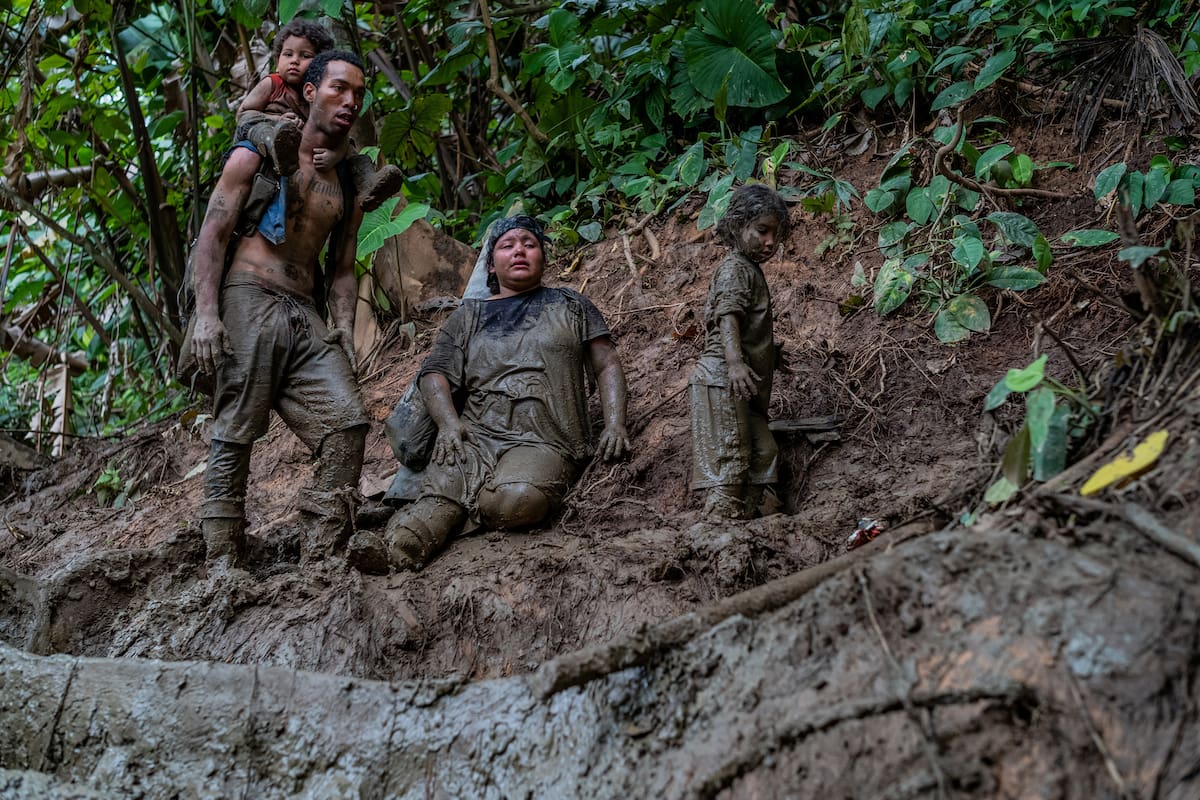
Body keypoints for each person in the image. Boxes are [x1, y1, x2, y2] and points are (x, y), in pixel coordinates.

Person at [348, 215, 631, 573]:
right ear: (491, 264)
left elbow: (607, 365)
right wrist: (449, 425)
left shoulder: (571, 304)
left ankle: (463, 513)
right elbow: (435, 376)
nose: (519, 252)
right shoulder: (468, 316)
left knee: (517, 501)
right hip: (474, 437)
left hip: (546, 440)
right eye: (507, 245)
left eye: (529, 244)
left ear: (543, 256)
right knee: (422, 520)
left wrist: (615, 425)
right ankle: (393, 554)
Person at [190, 50, 371, 574]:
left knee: (347, 424)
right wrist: (207, 314)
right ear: (310, 91)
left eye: (358, 94)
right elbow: (212, 235)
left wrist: (342, 328)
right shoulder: (256, 154)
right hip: (249, 295)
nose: (350, 101)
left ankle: (321, 553)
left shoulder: (347, 181)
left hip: (305, 310)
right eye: (339, 88)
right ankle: (222, 559)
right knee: (236, 424)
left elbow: (341, 265)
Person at [689, 184, 792, 520]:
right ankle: (717, 524)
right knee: (733, 454)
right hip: (723, 377)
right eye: (762, 231)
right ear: (737, 226)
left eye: (774, 235)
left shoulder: (747, 269)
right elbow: (727, 316)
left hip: (738, 382)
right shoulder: (735, 268)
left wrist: (768, 353)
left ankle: (742, 519)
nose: (770, 243)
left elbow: (745, 322)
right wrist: (734, 362)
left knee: (763, 451)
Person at [236, 20, 403, 212]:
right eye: (287, 54)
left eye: (305, 55)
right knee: (257, 127)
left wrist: (335, 155)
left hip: (297, 141)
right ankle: (279, 150)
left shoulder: (319, 96)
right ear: (277, 60)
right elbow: (243, 113)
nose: (294, 61)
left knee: (349, 147)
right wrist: (276, 121)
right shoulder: (272, 83)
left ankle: (368, 182)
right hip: (264, 131)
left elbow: (341, 137)